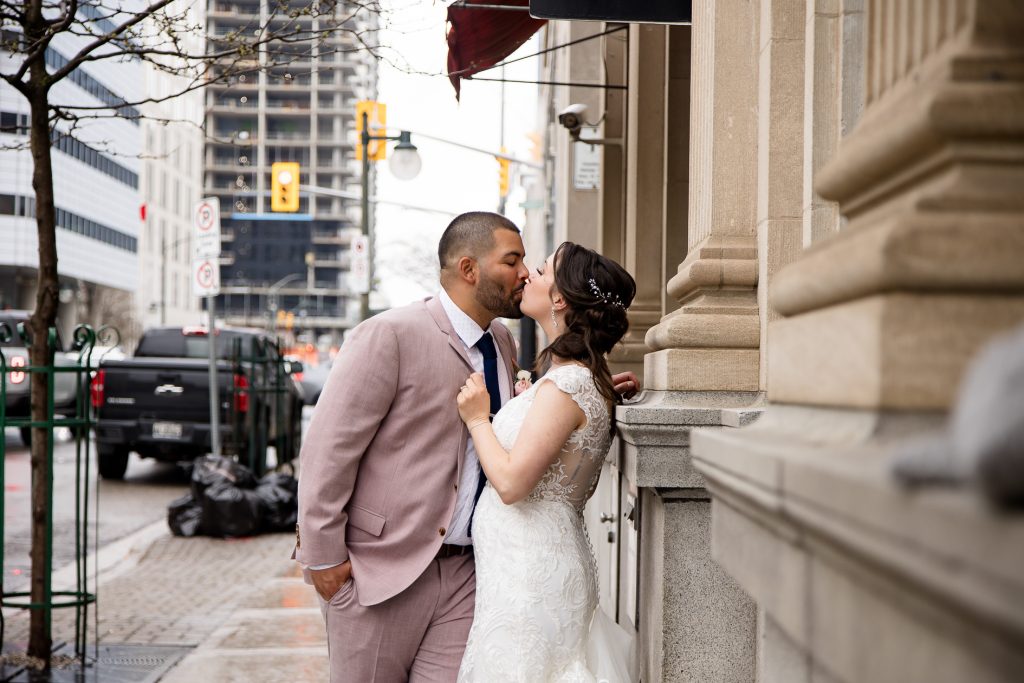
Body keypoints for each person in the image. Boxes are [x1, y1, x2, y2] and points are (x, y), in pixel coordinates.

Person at [295, 213, 640, 682]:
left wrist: (588, 390)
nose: (523, 274)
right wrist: (324, 558)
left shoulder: (502, 343)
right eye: (513, 261)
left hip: (470, 578)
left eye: (530, 265)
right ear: (469, 269)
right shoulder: (391, 334)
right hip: (380, 572)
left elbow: (530, 422)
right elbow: (328, 451)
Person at [455, 241, 639, 682]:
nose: (526, 277)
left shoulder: (568, 384)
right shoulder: (573, 381)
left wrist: (479, 419)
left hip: (530, 577)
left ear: (559, 299)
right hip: (529, 566)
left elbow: (513, 484)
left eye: (537, 271)